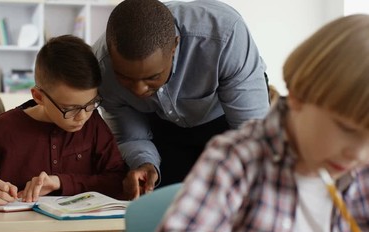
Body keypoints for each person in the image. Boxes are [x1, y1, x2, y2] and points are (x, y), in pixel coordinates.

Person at [155, 14, 369, 232]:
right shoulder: (236, 159)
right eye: (348, 129)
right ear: (299, 95)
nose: (359, 154)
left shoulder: (362, 171)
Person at [92, 0, 270, 198]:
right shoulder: (101, 69)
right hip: (161, 121)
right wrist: (145, 164)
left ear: (175, 46)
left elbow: (251, 134)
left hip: (224, 113)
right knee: (164, 199)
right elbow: (132, 137)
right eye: (125, 77)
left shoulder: (224, 34)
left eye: (152, 77)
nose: (139, 90)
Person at [0, 35, 128, 206]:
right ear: (39, 97)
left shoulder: (93, 124)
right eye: (69, 108)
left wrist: (61, 182)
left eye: (91, 103)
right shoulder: (0, 131)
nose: (82, 116)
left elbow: (118, 180)